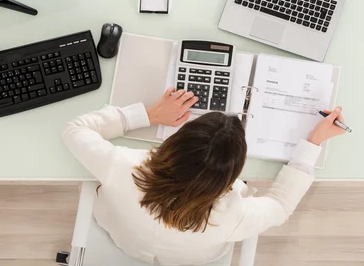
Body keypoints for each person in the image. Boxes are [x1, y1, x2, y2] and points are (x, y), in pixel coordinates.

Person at [62, 88, 347, 266]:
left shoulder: (124, 166)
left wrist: (150, 114)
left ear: (174, 143)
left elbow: (75, 129)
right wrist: (314, 141)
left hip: (122, 237)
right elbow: (281, 205)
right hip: (190, 260)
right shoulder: (234, 217)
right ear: (230, 178)